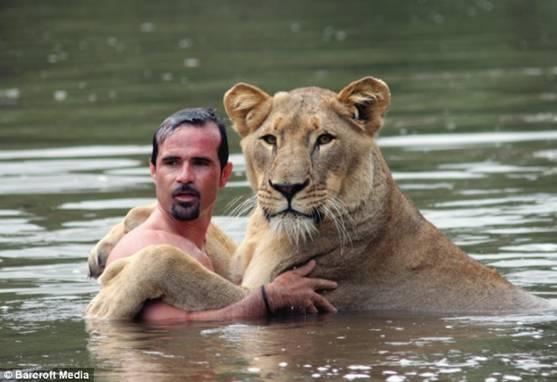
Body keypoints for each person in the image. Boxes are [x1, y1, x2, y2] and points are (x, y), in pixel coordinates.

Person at [105, 107, 337, 321]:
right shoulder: (141, 247)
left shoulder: (210, 247)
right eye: (172, 162)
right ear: (153, 171)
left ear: (224, 175)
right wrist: (269, 299)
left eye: (200, 163)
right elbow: (169, 329)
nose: (184, 176)